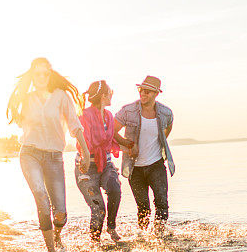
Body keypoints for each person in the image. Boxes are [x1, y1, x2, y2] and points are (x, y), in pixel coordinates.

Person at [7, 58, 90, 252]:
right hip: (30, 153)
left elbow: (74, 124)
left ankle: (58, 235)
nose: (41, 77)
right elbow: (19, 121)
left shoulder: (61, 96)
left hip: (54, 157)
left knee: (60, 211)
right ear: (32, 76)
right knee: (41, 196)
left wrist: (86, 152)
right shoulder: (26, 99)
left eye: (45, 73)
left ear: (50, 75)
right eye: (37, 74)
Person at [75, 80, 134, 243]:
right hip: (86, 167)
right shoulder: (83, 116)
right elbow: (83, 142)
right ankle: (95, 242)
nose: (112, 95)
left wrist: (127, 147)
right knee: (98, 208)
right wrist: (86, 157)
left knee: (115, 189)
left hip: (106, 164)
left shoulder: (108, 115)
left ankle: (111, 227)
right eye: (110, 92)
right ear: (103, 96)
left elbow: (108, 142)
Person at [114, 75, 175, 233]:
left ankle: (159, 236)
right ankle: (143, 237)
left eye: (147, 91)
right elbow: (111, 131)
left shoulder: (166, 113)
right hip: (135, 168)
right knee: (143, 208)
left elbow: (167, 129)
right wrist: (127, 144)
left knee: (162, 202)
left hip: (156, 165)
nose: (143, 94)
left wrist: (159, 143)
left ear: (156, 93)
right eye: (141, 90)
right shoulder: (128, 111)